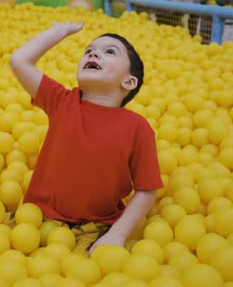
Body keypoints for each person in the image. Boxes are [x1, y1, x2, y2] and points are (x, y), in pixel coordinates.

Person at [9, 21, 163, 253]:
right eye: (89, 50)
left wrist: (118, 234)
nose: (94, 53)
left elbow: (147, 189)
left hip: (98, 227)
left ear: (129, 82)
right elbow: (19, 61)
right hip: (37, 220)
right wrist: (57, 32)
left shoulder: (138, 127)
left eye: (110, 51)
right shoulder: (62, 101)